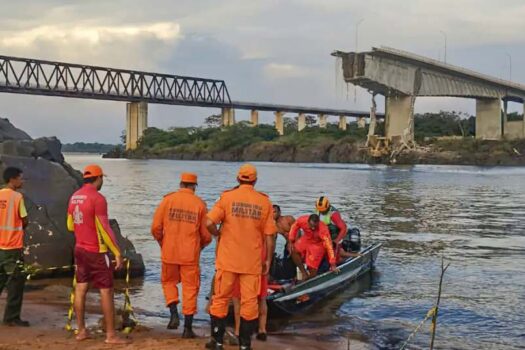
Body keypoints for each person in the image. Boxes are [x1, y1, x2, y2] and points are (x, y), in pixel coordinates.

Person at [206, 163, 276, 350]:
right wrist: (268, 260)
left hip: (227, 260)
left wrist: (218, 234)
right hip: (251, 263)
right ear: (255, 181)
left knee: (220, 299)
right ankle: (245, 345)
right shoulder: (264, 202)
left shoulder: (227, 197)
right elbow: (269, 236)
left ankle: (218, 341)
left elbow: (208, 222)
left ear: (238, 179)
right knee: (249, 303)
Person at [66, 164, 129, 344]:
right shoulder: (98, 198)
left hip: (79, 249)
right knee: (106, 291)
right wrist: (117, 252)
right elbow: (104, 228)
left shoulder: (74, 196)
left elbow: (70, 225)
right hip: (97, 251)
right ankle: (111, 335)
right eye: (102, 179)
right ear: (98, 178)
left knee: (81, 288)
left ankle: (82, 331)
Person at [151, 172, 211, 338]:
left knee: (168, 282)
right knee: (190, 289)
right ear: (194, 186)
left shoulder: (167, 200)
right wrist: (201, 246)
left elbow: (155, 227)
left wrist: (163, 243)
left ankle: (173, 314)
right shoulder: (200, 204)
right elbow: (206, 235)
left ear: (181, 184)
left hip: (169, 252)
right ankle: (187, 329)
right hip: (190, 255)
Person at [0, 167, 29, 327]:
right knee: (16, 282)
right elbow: (24, 219)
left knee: (1, 279)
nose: (22, 181)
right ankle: (11, 317)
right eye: (21, 178)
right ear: (13, 179)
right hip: (12, 246)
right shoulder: (17, 197)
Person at [288, 214, 337, 280]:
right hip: (307, 239)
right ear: (308, 222)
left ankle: (311, 279)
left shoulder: (323, 229)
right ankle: (304, 273)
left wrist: (333, 263)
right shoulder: (302, 220)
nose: (313, 228)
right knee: (293, 250)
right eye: (311, 226)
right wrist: (291, 240)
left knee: (312, 266)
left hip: (318, 244)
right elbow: (294, 226)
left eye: (315, 226)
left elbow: (329, 246)